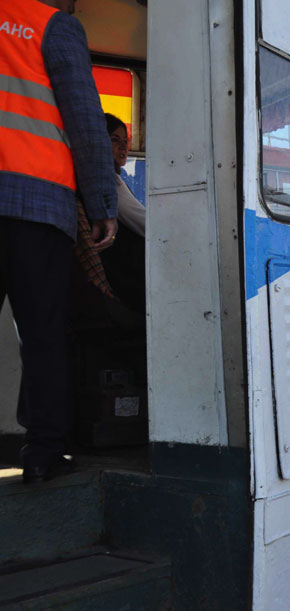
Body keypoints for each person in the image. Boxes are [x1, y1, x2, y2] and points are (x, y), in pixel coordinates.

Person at [0, 0, 117, 482]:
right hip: (35, 202)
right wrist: (101, 203)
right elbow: (86, 122)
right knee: (42, 333)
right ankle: (43, 452)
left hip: (32, 202)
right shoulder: (50, 25)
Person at [98, 113, 145, 311]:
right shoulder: (107, 180)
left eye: (125, 142)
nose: (123, 147)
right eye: (114, 140)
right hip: (123, 273)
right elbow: (142, 222)